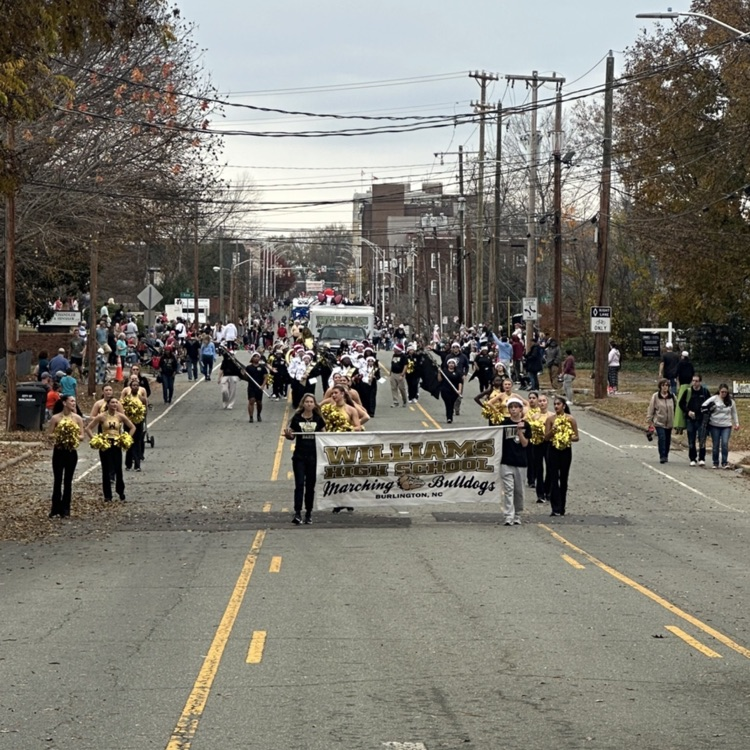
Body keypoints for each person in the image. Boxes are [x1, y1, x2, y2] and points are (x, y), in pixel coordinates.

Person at [284, 394, 326, 525]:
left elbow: (324, 435)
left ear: (314, 404)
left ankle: (308, 512)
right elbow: (291, 436)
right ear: (303, 404)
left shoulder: (318, 419)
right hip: (299, 457)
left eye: (311, 402)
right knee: (299, 484)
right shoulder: (296, 419)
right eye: (306, 402)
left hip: (313, 457)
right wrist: (288, 435)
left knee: (310, 485)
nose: (308, 404)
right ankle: (297, 512)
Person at [88, 397, 136, 502]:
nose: (114, 404)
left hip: (116, 444)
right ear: (108, 404)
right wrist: (96, 440)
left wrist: (127, 438)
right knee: (106, 470)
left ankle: (120, 491)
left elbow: (132, 427)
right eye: (112, 403)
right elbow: (88, 428)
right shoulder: (101, 416)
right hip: (105, 444)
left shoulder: (120, 416)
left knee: (118, 468)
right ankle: (107, 495)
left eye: (116, 403)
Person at [47, 396, 86, 518]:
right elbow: (49, 434)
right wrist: (61, 434)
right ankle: (55, 508)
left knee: (68, 481)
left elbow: (82, 436)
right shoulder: (55, 418)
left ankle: (66, 509)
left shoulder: (77, 418)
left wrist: (72, 435)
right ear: (64, 403)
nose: (74, 403)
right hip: (59, 451)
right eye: (71, 401)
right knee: (57, 480)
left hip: (71, 452)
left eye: (75, 401)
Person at [544, 397, 579, 516]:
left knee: (564, 479)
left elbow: (576, 437)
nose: (556, 406)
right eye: (554, 404)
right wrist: (553, 432)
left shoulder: (570, 419)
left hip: (565, 450)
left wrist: (567, 437)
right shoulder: (550, 419)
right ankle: (555, 507)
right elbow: (546, 437)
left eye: (558, 404)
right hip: (553, 450)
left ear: (563, 406)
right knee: (554, 478)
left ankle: (562, 506)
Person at [499, 397, 531, 526]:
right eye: (511, 407)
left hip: (520, 462)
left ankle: (517, 514)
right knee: (508, 489)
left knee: (519, 491)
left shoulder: (526, 425)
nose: (513, 409)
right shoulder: (504, 424)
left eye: (516, 407)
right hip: (506, 462)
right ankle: (508, 515)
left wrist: (520, 431)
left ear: (520, 409)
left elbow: (525, 444)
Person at [703, 383, 740, 469]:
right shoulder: (714, 398)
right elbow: (704, 405)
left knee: (724, 443)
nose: (723, 394)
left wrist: (737, 423)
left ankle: (724, 462)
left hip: (726, 425)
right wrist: (709, 410)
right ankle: (715, 462)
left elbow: (734, 413)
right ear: (719, 391)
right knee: (715, 444)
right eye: (722, 392)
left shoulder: (731, 401)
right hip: (714, 424)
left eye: (725, 392)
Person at [679, 374, 711, 466]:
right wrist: (688, 411)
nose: (694, 383)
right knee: (691, 440)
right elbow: (681, 403)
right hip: (690, 419)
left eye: (696, 381)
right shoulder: (688, 391)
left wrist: (706, 412)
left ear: (700, 382)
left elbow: (710, 403)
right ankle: (692, 458)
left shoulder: (704, 392)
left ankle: (702, 458)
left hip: (701, 420)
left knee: (702, 439)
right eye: (693, 381)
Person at [121, 376, 148, 471]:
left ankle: (137, 464)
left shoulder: (142, 398)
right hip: (128, 422)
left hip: (138, 422)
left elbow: (145, 409)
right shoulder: (127, 398)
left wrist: (143, 418)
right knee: (128, 441)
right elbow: (121, 408)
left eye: (137, 385)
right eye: (133, 385)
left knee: (137, 442)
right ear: (130, 387)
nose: (135, 387)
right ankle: (128, 464)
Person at [647, 378, 675, 464]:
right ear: (660, 387)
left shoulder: (672, 396)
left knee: (667, 439)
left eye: (666, 385)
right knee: (662, 438)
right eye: (663, 385)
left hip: (669, 422)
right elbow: (651, 408)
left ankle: (666, 454)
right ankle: (662, 456)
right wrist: (650, 420)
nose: (665, 387)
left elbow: (677, 408)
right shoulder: (655, 396)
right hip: (659, 422)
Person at [437, 358, 463, 424]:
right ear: (448, 364)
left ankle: (450, 416)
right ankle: (449, 418)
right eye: (450, 363)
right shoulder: (444, 372)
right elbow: (439, 380)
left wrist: (459, 390)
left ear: (455, 365)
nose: (451, 365)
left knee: (451, 404)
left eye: (452, 363)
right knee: (448, 404)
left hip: (454, 391)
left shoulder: (458, 372)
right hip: (445, 390)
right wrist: (439, 373)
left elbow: (460, 382)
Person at [245, 352, 268, 423]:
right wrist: (243, 373)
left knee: (259, 402)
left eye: (258, 357)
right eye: (255, 357)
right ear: (252, 358)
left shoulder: (262, 367)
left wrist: (263, 385)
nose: (256, 358)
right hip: (251, 387)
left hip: (259, 387)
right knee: (251, 401)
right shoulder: (248, 367)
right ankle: (251, 417)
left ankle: (258, 414)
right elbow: (245, 377)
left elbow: (265, 377)